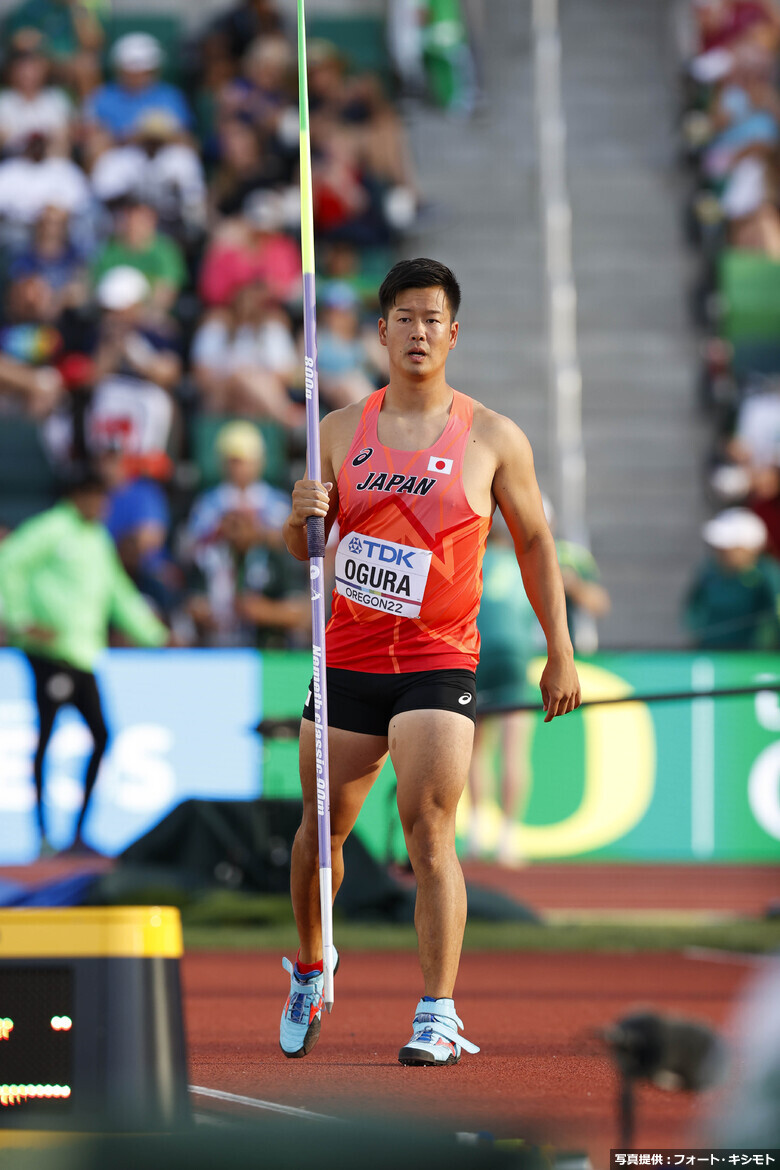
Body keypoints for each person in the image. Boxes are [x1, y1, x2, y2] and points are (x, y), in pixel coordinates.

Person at [280, 258, 581, 1065]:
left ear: (455, 333)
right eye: (404, 318)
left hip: (437, 661)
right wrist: (301, 514)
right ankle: (312, 965)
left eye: (433, 319)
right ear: (381, 332)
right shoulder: (338, 430)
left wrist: (561, 650)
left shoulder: (492, 436)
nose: (419, 332)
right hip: (344, 656)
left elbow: (537, 542)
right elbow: (304, 546)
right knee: (319, 836)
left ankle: (437, 1011)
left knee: (430, 831)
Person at [0, 472, 170, 856]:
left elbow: (118, 593)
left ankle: (76, 834)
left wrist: (155, 635)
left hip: (83, 654)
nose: (101, 507)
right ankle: (43, 835)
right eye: (95, 498)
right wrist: (20, 619)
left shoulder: (96, 539)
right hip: (49, 653)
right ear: (77, 496)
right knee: (46, 738)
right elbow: (8, 561)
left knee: (101, 736)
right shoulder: (51, 529)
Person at [683, 507, 780, 648]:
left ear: (748, 548)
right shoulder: (708, 572)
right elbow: (693, 611)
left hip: (756, 660)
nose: (720, 551)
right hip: (712, 655)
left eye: (728, 547)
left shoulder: (767, 574)